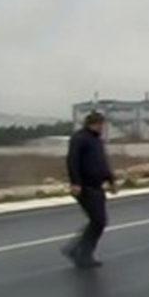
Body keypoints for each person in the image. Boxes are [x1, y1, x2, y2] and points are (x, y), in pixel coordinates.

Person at [63, 111, 117, 268]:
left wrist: (111, 180)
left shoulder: (96, 141)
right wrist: (75, 183)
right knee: (98, 221)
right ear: (93, 124)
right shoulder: (79, 138)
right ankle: (82, 254)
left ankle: (75, 250)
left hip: (97, 186)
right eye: (100, 124)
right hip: (85, 187)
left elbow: (102, 163)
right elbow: (72, 161)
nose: (102, 127)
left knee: (98, 221)